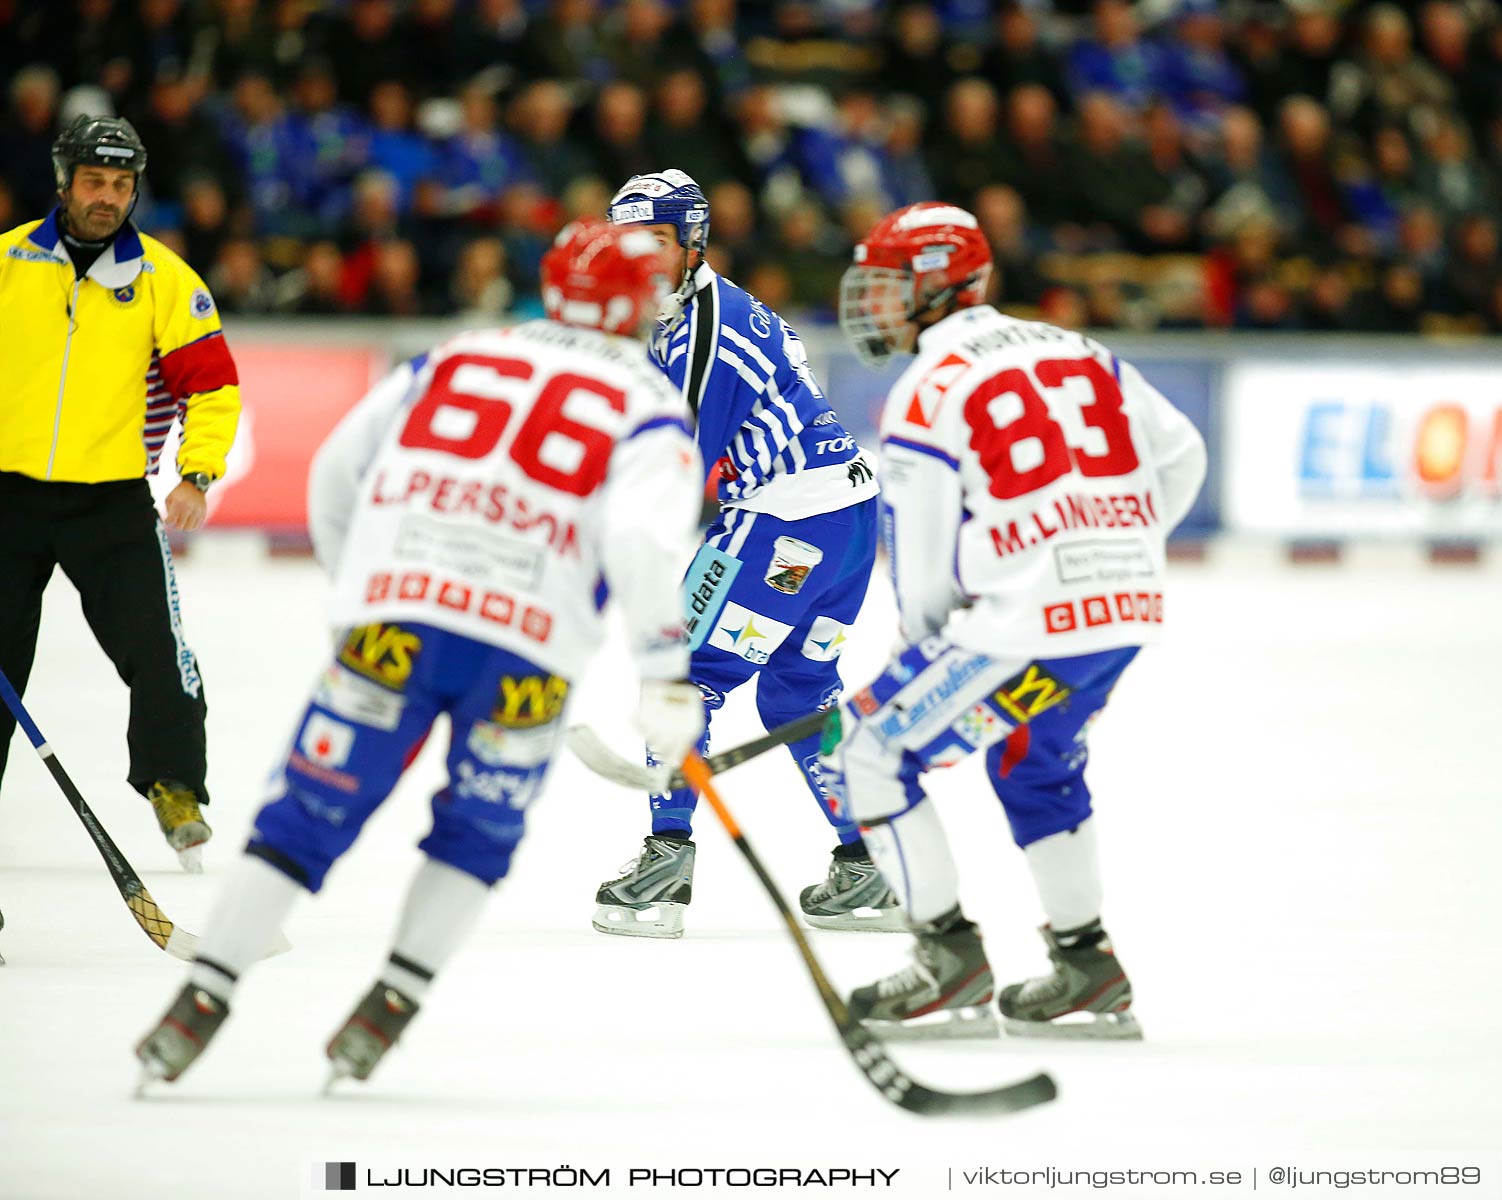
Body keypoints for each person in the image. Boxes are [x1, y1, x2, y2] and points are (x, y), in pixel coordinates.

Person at [135, 221, 705, 1086]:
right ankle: (389, 1006)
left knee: (306, 811)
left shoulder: (458, 355)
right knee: (477, 833)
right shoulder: (653, 406)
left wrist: (354, 593)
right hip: (526, 651)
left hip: (397, 620)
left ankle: (203, 998)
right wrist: (663, 672)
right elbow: (636, 541)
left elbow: (334, 470)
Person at [826, 202, 1208, 1039]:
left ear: (937, 286)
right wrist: (1119, 547)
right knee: (1037, 764)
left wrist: (915, 662)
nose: (874, 306)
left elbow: (922, 570)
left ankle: (947, 962)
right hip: (1123, 611)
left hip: (1025, 623)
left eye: (889, 287)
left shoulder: (926, 390)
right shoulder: (1078, 348)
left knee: (870, 749)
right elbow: (1182, 455)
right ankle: (1086, 965)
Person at [590, 170, 894, 938]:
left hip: (784, 523)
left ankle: (665, 863)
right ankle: (870, 864)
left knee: (684, 677)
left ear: (692, 243)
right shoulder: (703, 305)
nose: (640, 258)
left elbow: (672, 472)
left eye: (655, 241)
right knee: (798, 695)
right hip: (847, 517)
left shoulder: (701, 334)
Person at [0, 116, 242, 872]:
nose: (107, 198)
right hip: (6, 503)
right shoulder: (8, 261)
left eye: (122, 184)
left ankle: (173, 787)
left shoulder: (164, 279)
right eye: (94, 182)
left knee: (160, 656)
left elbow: (213, 388)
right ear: (64, 181)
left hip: (109, 502)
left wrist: (196, 474)